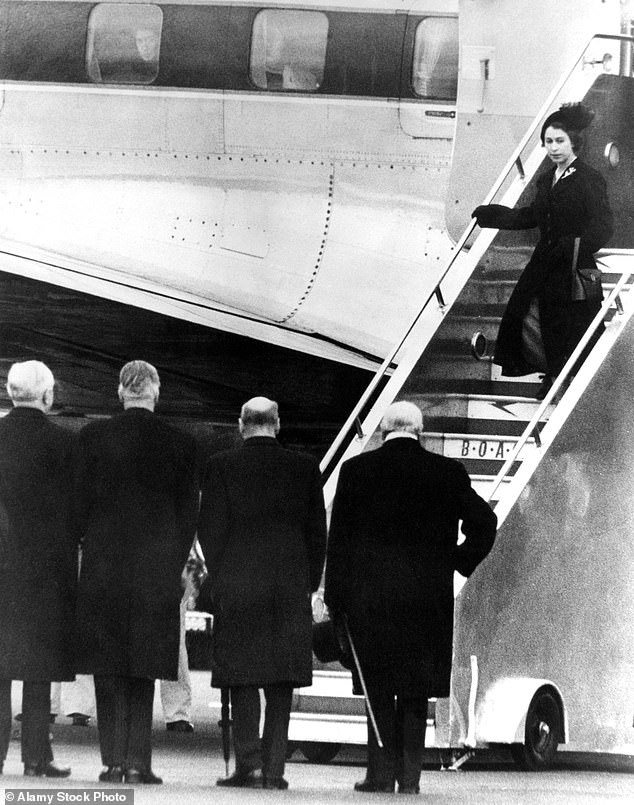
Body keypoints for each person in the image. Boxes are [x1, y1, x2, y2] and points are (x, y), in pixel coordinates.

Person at [324, 401, 497, 795]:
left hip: (372, 602)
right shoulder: (447, 473)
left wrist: (335, 598)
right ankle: (411, 777)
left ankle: (380, 776)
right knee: (415, 691)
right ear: (419, 431)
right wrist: (456, 559)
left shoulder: (357, 472)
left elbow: (341, 544)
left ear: (385, 430)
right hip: (426, 602)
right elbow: (485, 524)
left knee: (379, 687)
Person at [74, 360, 199, 785]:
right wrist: (177, 563)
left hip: (104, 566)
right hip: (155, 568)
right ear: (156, 391)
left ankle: (111, 763)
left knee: (107, 666)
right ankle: (138, 762)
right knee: (143, 666)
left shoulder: (91, 438)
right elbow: (188, 515)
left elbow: (78, 506)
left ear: (120, 392)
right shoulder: (180, 443)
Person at [198, 397, 327, 790]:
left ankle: (248, 765)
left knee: (242, 677)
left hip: (238, 585)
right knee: (281, 681)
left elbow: (209, 531)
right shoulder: (305, 469)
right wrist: (307, 582)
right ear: (278, 424)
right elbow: (316, 533)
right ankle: (274, 771)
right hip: (288, 587)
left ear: (241, 425)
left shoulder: (220, 466)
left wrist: (220, 575)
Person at [472, 102, 613, 400]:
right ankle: (551, 375)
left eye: (559, 141)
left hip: (573, 263)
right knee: (529, 316)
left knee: (569, 324)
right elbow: (532, 216)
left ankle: (571, 380)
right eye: (548, 141)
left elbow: (603, 227)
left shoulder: (588, 179)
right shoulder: (547, 179)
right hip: (546, 262)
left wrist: (574, 245)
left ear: (574, 141)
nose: (553, 147)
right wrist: (494, 216)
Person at [0, 361, 76, 778]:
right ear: (47, 396)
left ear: (11, 392)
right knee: (38, 668)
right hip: (46, 571)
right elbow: (77, 509)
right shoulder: (64, 444)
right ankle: (36, 758)